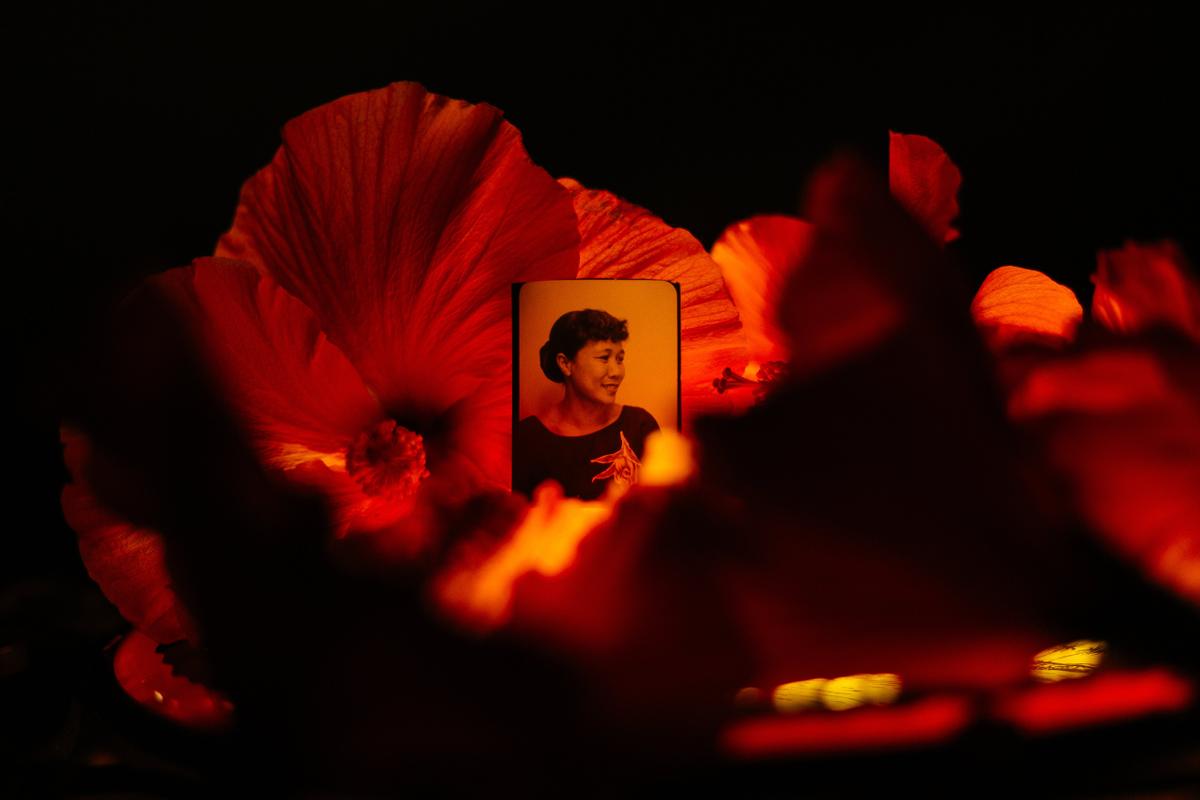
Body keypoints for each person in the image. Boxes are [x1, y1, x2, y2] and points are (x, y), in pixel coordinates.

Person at [515, 309, 659, 500]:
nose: (617, 372)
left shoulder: (640, 426)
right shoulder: (527, 439)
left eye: (619, 359)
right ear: (565, 364)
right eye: (603, 358)